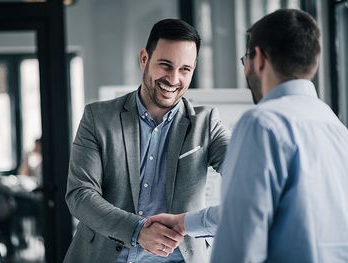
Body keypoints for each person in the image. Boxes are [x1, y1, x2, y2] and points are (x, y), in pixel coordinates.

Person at [146, 8, 348, 263]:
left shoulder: (262, 124)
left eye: (245, 60)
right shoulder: (336, 128)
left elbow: (240, 236)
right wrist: (185, 222)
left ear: (259, 59)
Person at [63, 18, 229, 263]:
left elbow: (248, 179)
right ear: (144, 59)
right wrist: (137, 230)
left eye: (185, 69)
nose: (173, 79)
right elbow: (80, 195)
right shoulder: (97, 118)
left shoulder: (207, 123)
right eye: (165, 65)